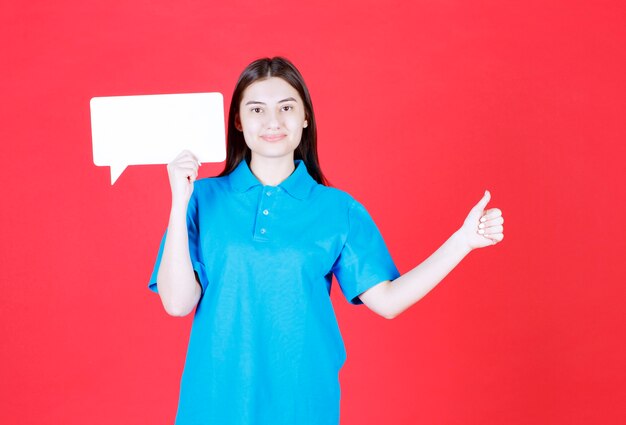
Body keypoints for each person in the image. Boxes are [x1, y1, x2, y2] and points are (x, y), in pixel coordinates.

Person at [149, 57, 504, 425]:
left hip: (303, 406)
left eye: (287, 107)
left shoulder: (338, 209)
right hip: (213, 405)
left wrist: (462, 242)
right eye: (257, 109)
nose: (273, 121)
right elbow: (177, 303)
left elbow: (388, 301)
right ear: (238, 121)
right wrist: (179, 201)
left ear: (305, 117)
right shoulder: (201, 200)